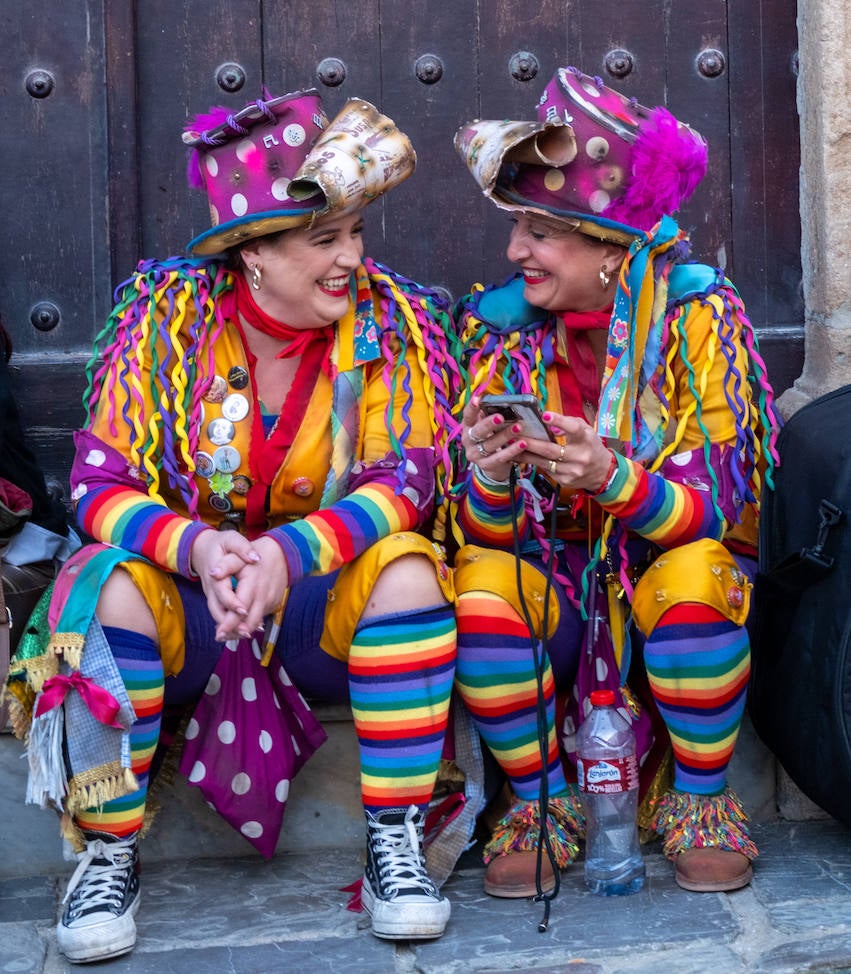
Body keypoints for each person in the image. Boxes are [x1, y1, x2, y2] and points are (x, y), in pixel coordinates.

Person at [6, 89, 460, 961]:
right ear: (251, 256)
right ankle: (106, 852)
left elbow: (405, 477)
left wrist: (290, 554)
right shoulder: (165, 323)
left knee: (406, 565)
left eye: (355, 234)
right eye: (323, 240)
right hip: (193, 615)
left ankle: (395, 843)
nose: (351, 260)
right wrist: (202, 546)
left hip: (314, 609)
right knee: (99, 583)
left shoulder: (388, 323)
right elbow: (99, 485)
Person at [450, 66, 779, 900]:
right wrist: (490, 480)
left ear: (612, 250)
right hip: (558, 588)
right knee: (485, 587)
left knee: (699, 574)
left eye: (538, 231)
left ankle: (700, 802)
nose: (514, 250)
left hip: (660, 583)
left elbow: (715, 506)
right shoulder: (501, 334)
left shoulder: (699, 321)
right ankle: (540, 805)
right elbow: (485, 538)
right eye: (517, 227)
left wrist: (611, 479)